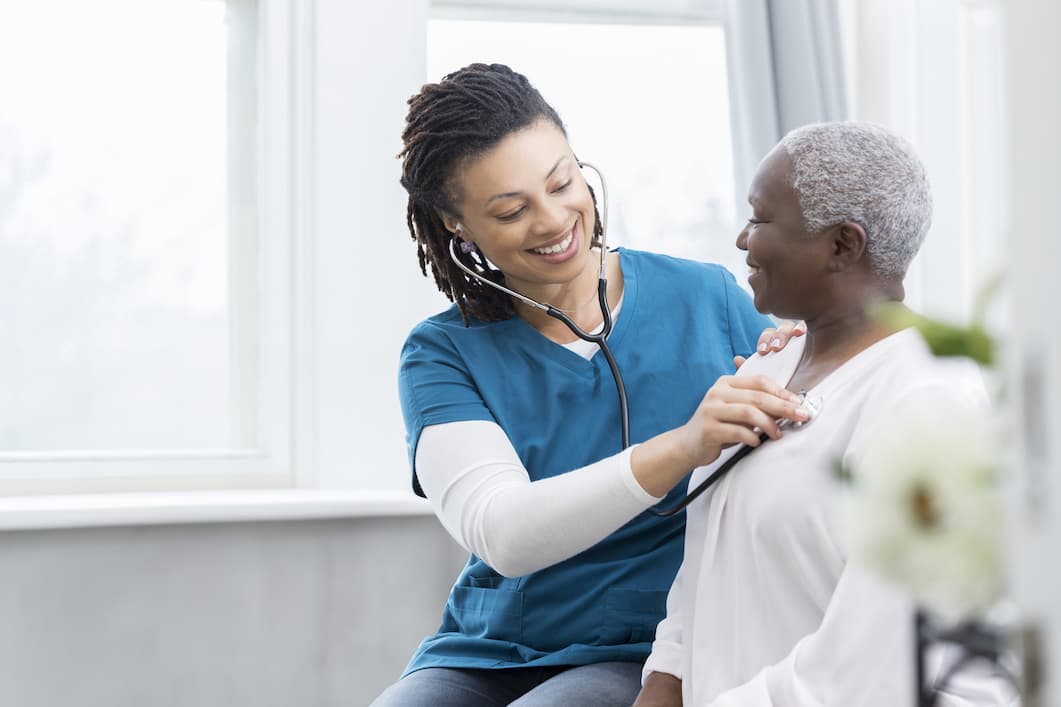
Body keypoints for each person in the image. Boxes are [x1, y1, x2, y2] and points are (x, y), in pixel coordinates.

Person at [370, 63, 806, 707]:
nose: (551, 220)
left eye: (562, 181)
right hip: (486, 654)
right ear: (457, 225)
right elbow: (505, 535)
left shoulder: (705, 298)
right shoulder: (441, 353)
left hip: (643, 648)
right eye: (511, 210)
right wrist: (684, 445)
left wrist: (798, 356)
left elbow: (814, 423)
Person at [634, 122, 1014, 706]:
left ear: (842, 244)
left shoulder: (930, 400)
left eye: (760, 219)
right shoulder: (763, 368)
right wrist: (663, 684)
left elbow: (867, 670)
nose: (741, 238)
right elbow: (706, 569)